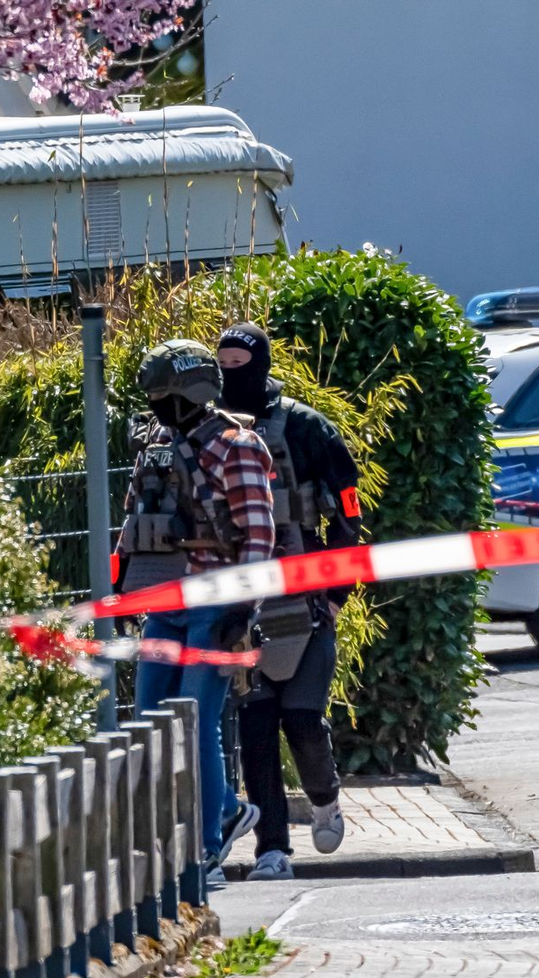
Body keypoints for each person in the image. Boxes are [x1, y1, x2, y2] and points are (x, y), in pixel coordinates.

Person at [116, 339, 275, 885]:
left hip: (214, 606)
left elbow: (259, 536)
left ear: (192, 393)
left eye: (166, 395)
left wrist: (242, 609)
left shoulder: (240, 446)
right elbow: (135, 518)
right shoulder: (155, 444)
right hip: (163, 603)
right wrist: (122, 589)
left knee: (197, 722)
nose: (158, 406)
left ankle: (206, 848)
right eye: (153, 396)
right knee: (151, 723)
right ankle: (218, 815)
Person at [216, 321, 363, 882]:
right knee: (255, 734)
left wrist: (336, 593)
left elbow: (348, 514)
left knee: (303, 722)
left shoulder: (305, 427)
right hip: (245, 609)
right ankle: (271, 850)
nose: (232, 377)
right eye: (222, 366)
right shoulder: (213, 432)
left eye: (240, 366)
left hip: (306, 604)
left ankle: (325, 797)